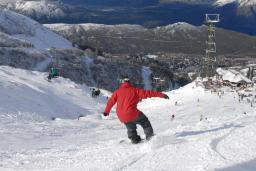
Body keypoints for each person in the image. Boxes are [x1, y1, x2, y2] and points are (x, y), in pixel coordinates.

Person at [103, 76, 169, 144]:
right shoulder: (135, 90)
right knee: (145, 122)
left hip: (121, 115)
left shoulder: (117, 92)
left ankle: (134, 138)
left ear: (122, 83)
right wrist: (162, 95)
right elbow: (149, 93)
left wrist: (106, 112)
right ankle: (150, 137)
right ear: (129, 82)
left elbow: (110, 102)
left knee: (130, 126)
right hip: (132, 113)